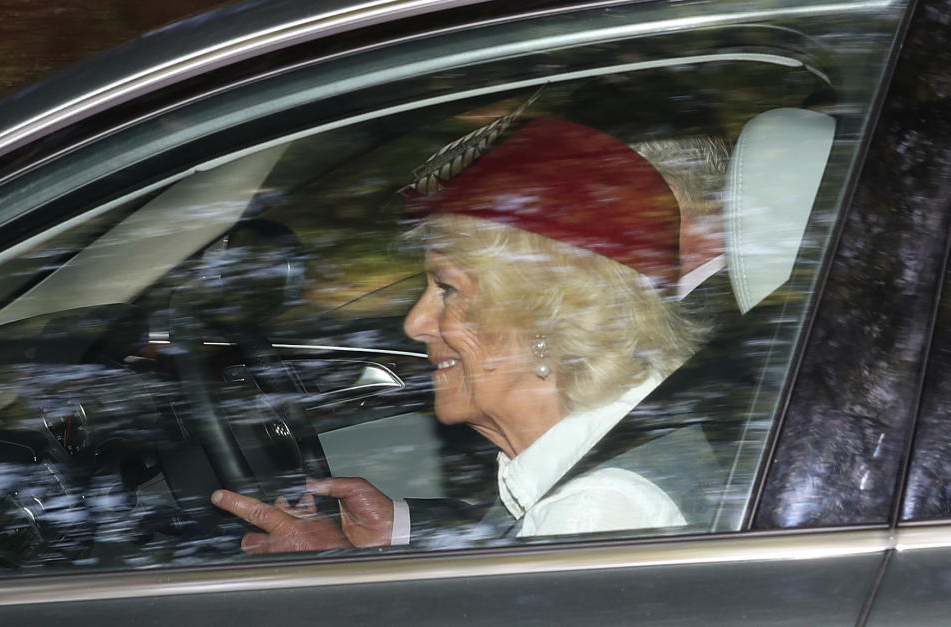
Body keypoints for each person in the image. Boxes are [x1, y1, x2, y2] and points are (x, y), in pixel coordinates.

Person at [210, 116, 712, 553]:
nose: (415, 322)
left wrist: (323, 591)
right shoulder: (615, 450)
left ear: (548, 320)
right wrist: (383, 543)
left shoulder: (594, 513)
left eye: (447, 288)